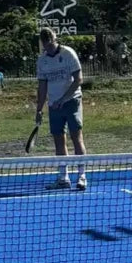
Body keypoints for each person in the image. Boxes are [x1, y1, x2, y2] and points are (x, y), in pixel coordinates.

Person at [34, 28, 86, 191]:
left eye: (51, 43)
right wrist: (39, 109)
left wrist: (63, 100)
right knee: (58, 140)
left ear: (55, 40)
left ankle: (82, 176)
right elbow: (42, 87)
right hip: (53, 106)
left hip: (72, 101)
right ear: (43, 44)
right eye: (46, 45)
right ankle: (63, 177)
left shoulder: (68, 53)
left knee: (76, 137)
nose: (49, 47)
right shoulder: (42, 61)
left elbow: (78, 79)